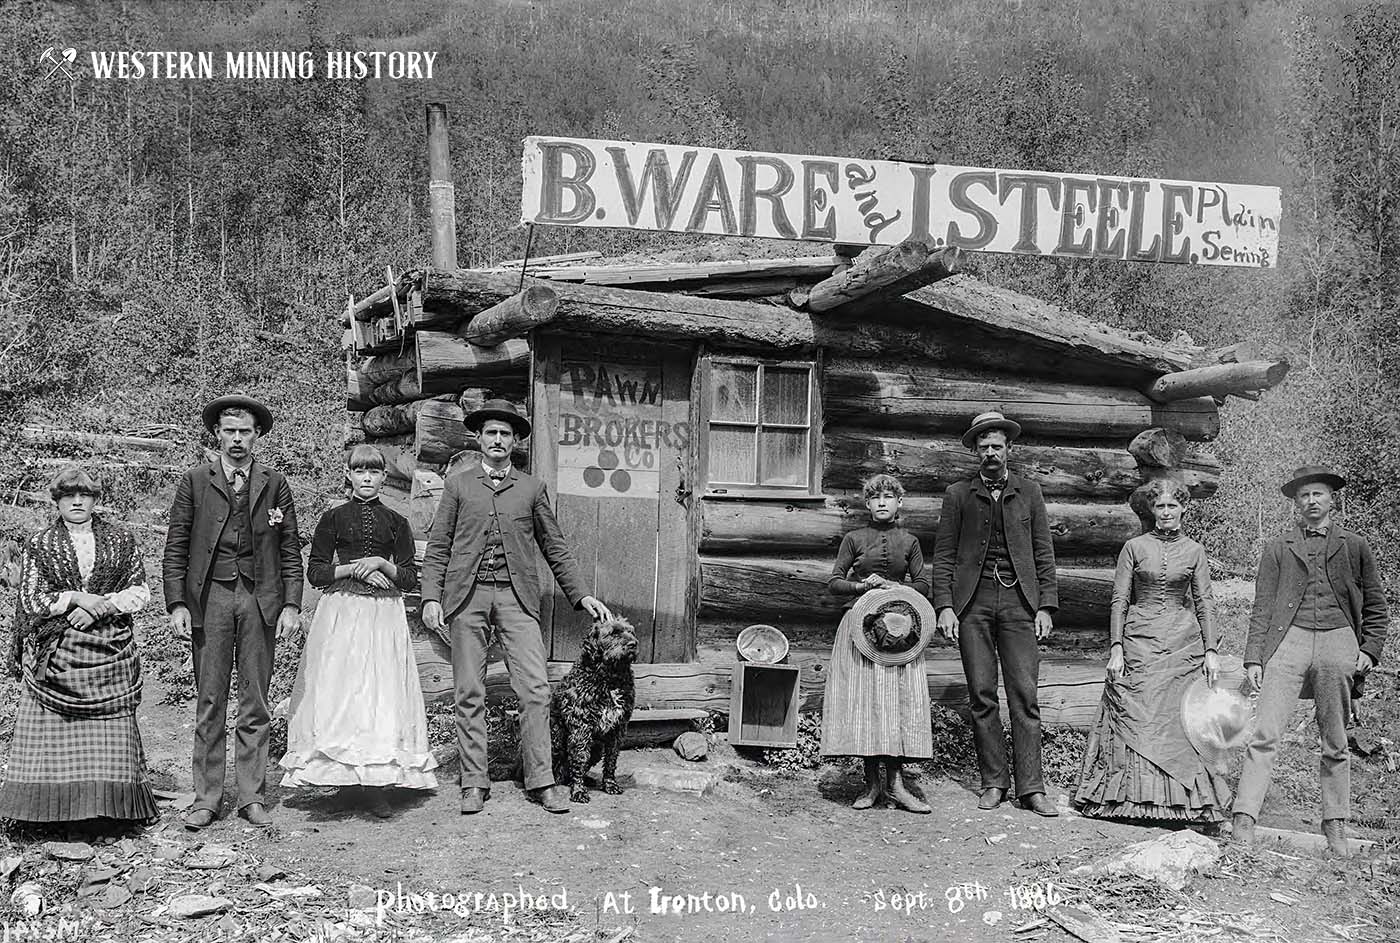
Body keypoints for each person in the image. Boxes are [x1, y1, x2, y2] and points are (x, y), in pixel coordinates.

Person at [420, 400, 612, 815]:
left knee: (536, 691)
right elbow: (438, 546)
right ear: (479, 437)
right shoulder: (458, 485)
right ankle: (474, 782)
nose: (498, 440)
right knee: (469, 691)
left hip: (517, 598)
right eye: (491, 432)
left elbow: (554, 546)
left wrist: (581, 595)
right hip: (466, 598)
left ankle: (541, 779)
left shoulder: (530, 488)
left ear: (515, 442)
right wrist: (431, 597)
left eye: (506, 434)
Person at [162, 395, 303, 829]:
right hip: (211, 599)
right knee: (210, 699)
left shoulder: (274, 483)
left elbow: (290, 549)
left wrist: (292, 604)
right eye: (230, 432)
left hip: (261, 598)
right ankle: (207, 797)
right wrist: (177, 603)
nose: (237, 439)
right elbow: (176, 546)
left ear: (257, 435)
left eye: (245, 432)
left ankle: (251, 797)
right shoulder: (195, 481)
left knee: (255, 701)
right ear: (217, 435)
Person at [1233, 465, 1388, 856]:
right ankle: (1244, 818)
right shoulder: (1278, 547)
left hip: (1339, 640)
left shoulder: (1355, 545)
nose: (1311, 501)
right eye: (1304, 496)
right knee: (1265, 732)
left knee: (1334, 739)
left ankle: (1335, 824)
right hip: (1289, 639)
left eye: (1318, 494)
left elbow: (1376, 607)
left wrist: (1368, 650)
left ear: (1331, 499)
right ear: (1296, 504)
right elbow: (1262, 606)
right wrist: (1254, 657)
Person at [279, 445, 438, 817]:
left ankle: (375, 784)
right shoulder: (333, 518)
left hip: (383, 614)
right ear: (348, 475)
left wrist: (383, 563)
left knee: (379, 693)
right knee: (342, 690)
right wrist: (353, 568)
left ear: (384, 477)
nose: (367, 478)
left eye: (374, 472)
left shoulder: (397, 522)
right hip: (343, 613)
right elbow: (316, 571)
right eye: (359, 471)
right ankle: (342, 779)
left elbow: (412, 576)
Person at [0, 466, 158, 825]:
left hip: (107, 649)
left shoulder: (121, 540)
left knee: (109, 735)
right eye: (68, 496)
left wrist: (101, 607)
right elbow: (31, 598)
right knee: (56, 736)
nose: (76, 502)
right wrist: (75, 598)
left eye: (84, 496)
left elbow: (141, 591)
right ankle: (51, 814)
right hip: (59, 648)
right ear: (56, 501)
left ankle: (108, 813)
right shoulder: (40, 543)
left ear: (95, 500)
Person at [1073, 478, 1230, 827]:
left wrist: (1211, 650)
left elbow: (1205, 602)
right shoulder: (1134, 547)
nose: (1167, 512)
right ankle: (1125, 799)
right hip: (1138, 639)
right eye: (1160, 506)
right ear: (1152, 510)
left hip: (1181, 642)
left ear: (1183, 509)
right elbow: (1119, 600)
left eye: (1173, 506)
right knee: (1137, 715)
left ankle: (1184, 805)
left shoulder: (1195, 551)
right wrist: (1116, 647)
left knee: (1175, 720)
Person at [932, 411, 1059, 816]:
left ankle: (1032, 788)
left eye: (997, 446)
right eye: (983, 447)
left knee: (1025, 695)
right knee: (982, 695)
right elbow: (945, 555)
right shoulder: (958, 495)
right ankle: (993, 782)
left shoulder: (1030, 492)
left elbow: (1044, 553)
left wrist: (1045, 606)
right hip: (974, 604)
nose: (990, 453)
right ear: (975, 451)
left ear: (1009, 449)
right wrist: (946, 606)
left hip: (1021, 604)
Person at [820, 474, 934, 813]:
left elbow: (924, 585)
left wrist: (896, 588)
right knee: (866, 704)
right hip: (860, 631)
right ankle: (870, 785)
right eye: (875, 497)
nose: (882, 502)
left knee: (897, 704)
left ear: (899, 503)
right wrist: (861, 588)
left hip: (899, 634)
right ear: (867, 504)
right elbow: (834, 583)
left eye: (889, 496)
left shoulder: (909, 541)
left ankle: (897, 785)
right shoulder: (854, 539)